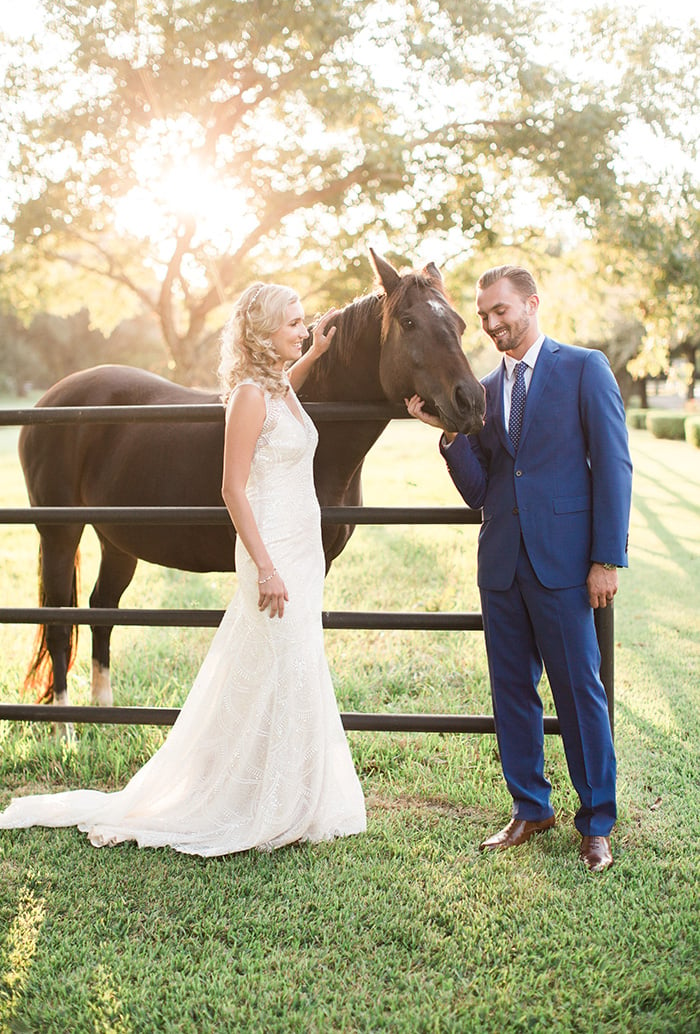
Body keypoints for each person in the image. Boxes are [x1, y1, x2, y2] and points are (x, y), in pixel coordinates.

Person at [0, 283, 366, 855]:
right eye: (294, 324)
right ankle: (238, 797)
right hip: (272, 554)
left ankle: (286, 791)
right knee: (265, 665)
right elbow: (231, 487)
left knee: (293, 667)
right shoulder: (249, 395)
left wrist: (317, 352)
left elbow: (280, 400)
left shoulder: (275, 387)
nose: (304, 328)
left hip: (296, 548)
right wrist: (266, 567)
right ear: (265, 333)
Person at [406, 265, 632, 872]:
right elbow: (480, 491)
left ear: (532, 303)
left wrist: (606, 557)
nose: (490, 324)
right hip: (502, 563)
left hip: (565, 566)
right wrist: (451, 434)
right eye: (482, 316)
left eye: (499, 311)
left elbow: (614, 465)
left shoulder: (585, 369)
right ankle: (530, 807)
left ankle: (596, 823)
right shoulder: (480, 390)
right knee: (511, 694)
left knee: (580, 693)